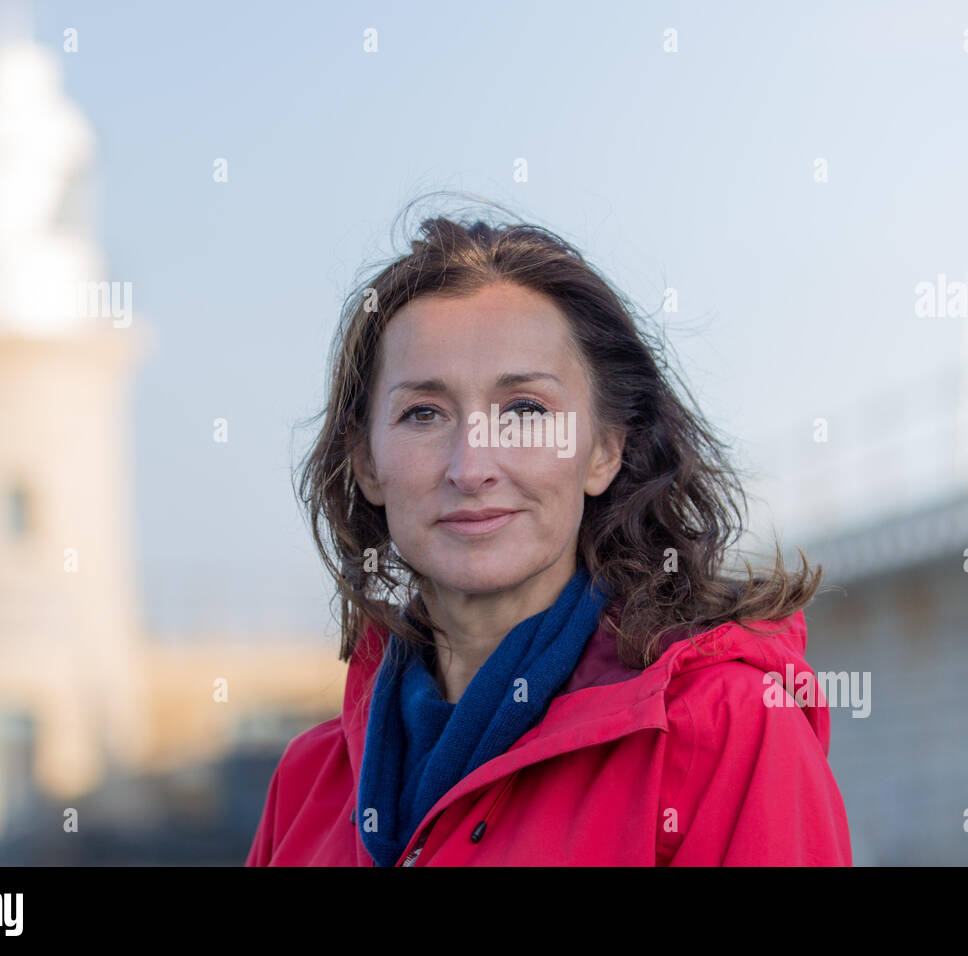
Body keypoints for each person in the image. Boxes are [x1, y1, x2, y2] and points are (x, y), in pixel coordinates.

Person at [246, 201, 852, 866]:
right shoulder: (307, 783)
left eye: (526, 410)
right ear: (365, 464)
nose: (471, 466)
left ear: (603, 451)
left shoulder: (724, 728)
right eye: (424, 413)